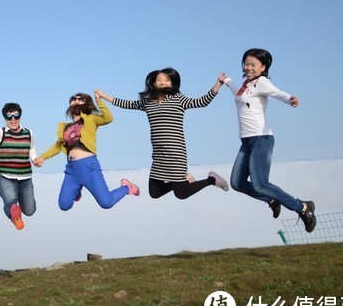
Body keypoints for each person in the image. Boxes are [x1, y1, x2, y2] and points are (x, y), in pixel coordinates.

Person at [96, 68, 229, 201]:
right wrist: (103, 96)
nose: (163, 82)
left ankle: (211, 180)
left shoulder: (178, 99)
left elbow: (202, 101)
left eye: (167, 80)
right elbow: (126, 104)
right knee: (154, 193)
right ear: (153, 83)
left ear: (173, 83)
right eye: (159, 80)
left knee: (181, 194)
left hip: (175, 153)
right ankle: (184, 181)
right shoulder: (148, 101)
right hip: (158, 154)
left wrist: (217, 85)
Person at [223, 48, 316, 232]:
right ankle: (271, 199)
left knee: (260, 184)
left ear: (263, 67)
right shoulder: (246, 84)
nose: (248, 67)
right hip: (246, 141)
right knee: (237, 183)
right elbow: (239, 96)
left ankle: (303, 208)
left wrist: (290, 99)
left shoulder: (262, 82)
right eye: (246, 63)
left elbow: (277, 93)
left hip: (261, 139)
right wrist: (227, 81)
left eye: (253, 65)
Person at [33, 92, 140, 211]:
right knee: (64, 205)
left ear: (87, 103)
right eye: (73, 99)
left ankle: (126, 187)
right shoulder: (64, 127)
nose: (76, 100)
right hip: (71, 169)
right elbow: (58, 145)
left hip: (89, 166)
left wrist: (99, 100)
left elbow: (108, 118)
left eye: (81, 99)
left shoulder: (91, 119)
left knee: (106, 202)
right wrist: (43, 157)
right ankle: (76, 191)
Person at [0, 103, 38, 230]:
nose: (13, 119)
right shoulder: (0, 132)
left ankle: (17, 208)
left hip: (25, 178)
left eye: (16, 116)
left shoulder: (28, 133)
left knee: (30, 211)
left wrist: (35, 160)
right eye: (9, 117)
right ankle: (15, 214)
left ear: (20, 116)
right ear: (5, 118)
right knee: (10, 201)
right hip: (5, 176)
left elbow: (32, 149)